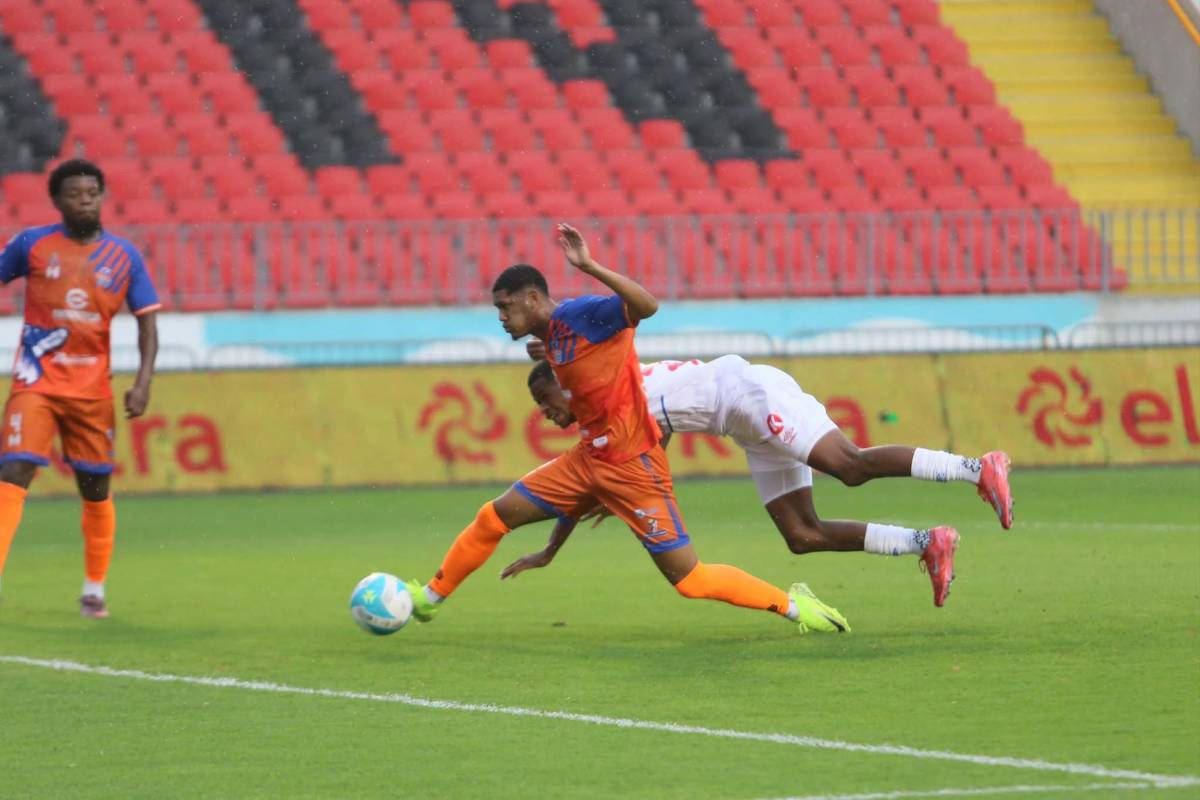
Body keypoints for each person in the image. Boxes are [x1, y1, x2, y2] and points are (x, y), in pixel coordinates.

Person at [403, 223, 849, 634]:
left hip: (634, 466)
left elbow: (646, 306)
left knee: (690, 580)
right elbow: (568, 361)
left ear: (533, 299)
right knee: (493, 517)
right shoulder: (551, 338)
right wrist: (550, 550)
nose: (500, 316)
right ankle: (428, 599)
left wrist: (589, 266)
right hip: (587, 460)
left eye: (505, 306)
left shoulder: (582, 315)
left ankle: (796, 606)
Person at [509, 353, 1013, 607]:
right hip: (741, 424)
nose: (544, 414)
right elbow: (605, 472)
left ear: (566, 386)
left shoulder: (608, 396)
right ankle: (928, 543)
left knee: (849, 466)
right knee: (802, 535)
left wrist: (552, 547)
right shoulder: (612, 400)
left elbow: (591, 481)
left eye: (544, 401)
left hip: (748, 395)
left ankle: (977, 468)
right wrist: (553, 547)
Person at [0, 159, 161, 618]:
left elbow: (147, 323)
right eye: (75, 194)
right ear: (57, 200)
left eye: (92, 193)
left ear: (102, 197)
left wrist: (143, 382)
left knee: (94, 487)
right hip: (36, 381)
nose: (85, 200)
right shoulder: (32, 244)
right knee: (14, 469)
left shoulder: (124, 256)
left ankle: (94, 588)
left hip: (92, 392)